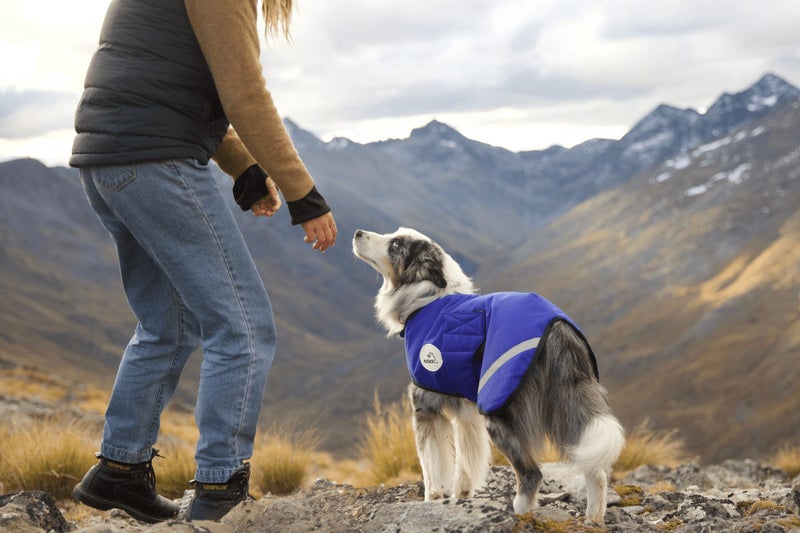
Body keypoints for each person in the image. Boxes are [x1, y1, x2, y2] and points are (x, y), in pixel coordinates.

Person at [69, 0, 337, 523]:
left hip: (108, 164)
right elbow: (244, 93)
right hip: (155, 162)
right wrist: (305, 196)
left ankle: (119, 472)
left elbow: (169, 84)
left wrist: (244, 169)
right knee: (243, 328)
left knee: (165, 326)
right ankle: (220, 488)